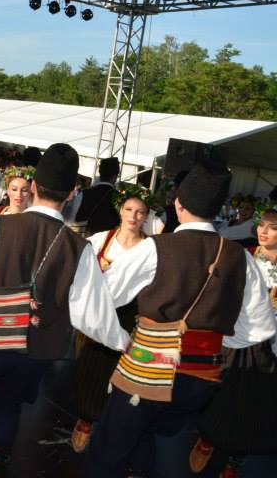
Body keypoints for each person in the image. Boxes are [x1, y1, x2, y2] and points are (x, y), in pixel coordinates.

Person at [0, 143, 128, 478]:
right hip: (35, 349)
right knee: (8, 408)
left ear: (34, 186)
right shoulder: (79, 248)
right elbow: (91, 316)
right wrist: (124, 342)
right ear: (72, 193)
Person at [87, 162, 277, 477]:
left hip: (147, 371)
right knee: (153, 440)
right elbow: (262, 327)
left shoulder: (155, 248)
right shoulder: (241, 257)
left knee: (109, 449)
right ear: (218, 210)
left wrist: (121, 341)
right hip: (200, 380)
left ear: (178, 204)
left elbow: (99, 299)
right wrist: (214, 341)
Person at [188, 201, 277, 476]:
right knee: (219, 389)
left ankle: (235, 458)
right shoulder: (244, 255)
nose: (263, 231)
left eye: (273, 228)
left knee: (255, 402)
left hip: (268, 342)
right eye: (261, 225)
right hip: (234, 333)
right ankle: (207, 438)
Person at [70, 185, 156, 453]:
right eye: (129, 209)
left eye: (140, 212)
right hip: (97, 313)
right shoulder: (101, 239)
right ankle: (86, 419)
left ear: (147, 216)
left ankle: (111, 423)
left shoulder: (151, 248)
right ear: (120, 209)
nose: (133, 216)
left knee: (120, 372)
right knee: (90, 366)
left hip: (128, 315)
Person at [73, 156, 121, 236]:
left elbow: (73, 217)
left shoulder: (84, 193)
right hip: (106, 240)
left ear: (100, 173)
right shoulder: (119, 198)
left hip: (83, 237)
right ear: (115, 176)